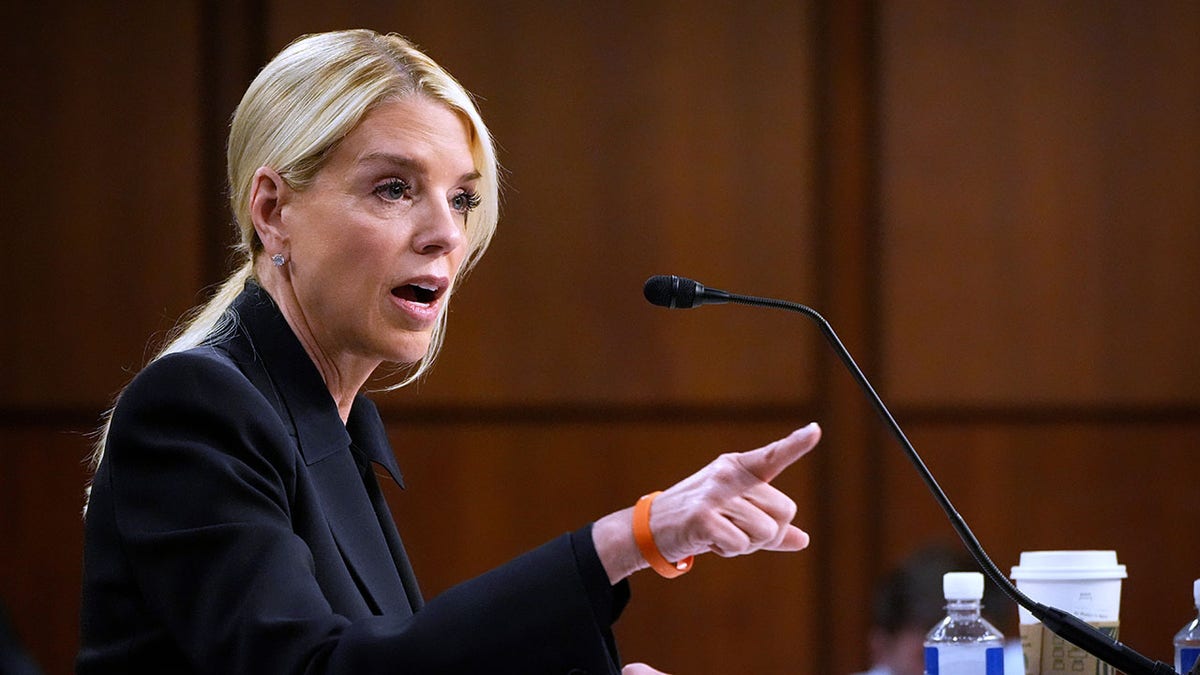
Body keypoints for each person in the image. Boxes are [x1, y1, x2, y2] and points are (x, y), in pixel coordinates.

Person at [78, 29, 822, 674]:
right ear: (273, 211)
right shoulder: (196, 410)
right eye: (394, 189)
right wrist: (628, 538)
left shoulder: (330, 424)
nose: (446, 234)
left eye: (462, 198)